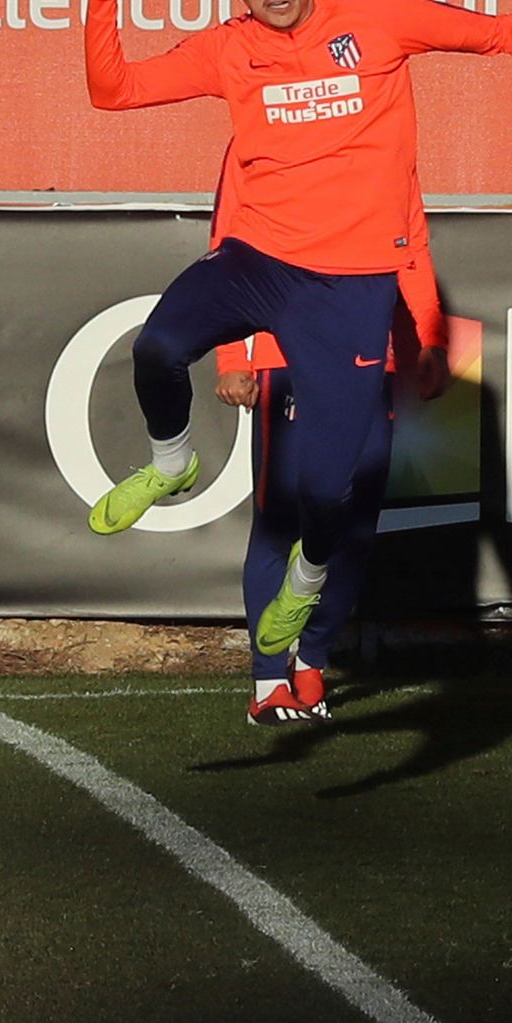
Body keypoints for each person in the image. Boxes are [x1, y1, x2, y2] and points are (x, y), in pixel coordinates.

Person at [81, 0, 512, 657]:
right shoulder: (230, 49)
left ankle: (307, 580)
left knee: (326, 489)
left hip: (349, 287)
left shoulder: (374, 19)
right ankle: (171, 460)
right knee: (158, 346)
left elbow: (491, 31)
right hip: (258, 261)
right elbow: (113, 90)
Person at [209, 150, 449, 725]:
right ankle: (269, 681)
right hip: (283, 356)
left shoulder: (388, 143)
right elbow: (228, 242)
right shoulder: (264, 127)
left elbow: (411, 247)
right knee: (278, 522)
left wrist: (430, 338)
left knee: (356, 529)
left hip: (370, 360)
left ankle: (312, 661)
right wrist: (228, 353)